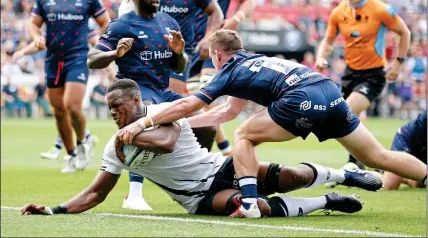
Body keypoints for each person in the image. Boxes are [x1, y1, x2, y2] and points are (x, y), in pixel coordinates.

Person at [118, 29, 427, 218]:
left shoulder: (228, 70)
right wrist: (186, 124)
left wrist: (147, 120)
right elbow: (223, 113)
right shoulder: (255, 61)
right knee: (378, 158)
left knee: (243, 135)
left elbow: (191, 103)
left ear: (216, 54)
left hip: (301, 97)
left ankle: (250, 202)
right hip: (328, 90)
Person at [21, 79, 377, 218]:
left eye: (120, 107)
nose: (115, 114)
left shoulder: (162, 114)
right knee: (252, 209)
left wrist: (132, 133)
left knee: (292, 175)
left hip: (220, 167)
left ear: (136, 100)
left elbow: (167, 142)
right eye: (111, 110)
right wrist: (53, 211)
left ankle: (345, 174)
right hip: (196, 198)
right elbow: (96, 193)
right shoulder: (117, 147)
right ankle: (327, 202)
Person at [88, 0, 216, 211]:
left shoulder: (168, 22)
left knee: (207, 125)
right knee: (147, 121)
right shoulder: (120, 26)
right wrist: (115, 53)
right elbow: (92, 59)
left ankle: (198, 178)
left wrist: (179, 52)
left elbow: (179, 66)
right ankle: (134, 194)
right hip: (134, 93)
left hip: (162, 89)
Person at [12, 0, 111, 172]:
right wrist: (36, 36)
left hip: (77, 57)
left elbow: (105, 23)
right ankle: (71, 154)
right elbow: (34, 24)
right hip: (53, 59)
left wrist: (103, 48)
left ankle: (84, 143)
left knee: (72, 105)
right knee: (58, 111)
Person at [315, 0, 411, 169]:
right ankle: (361, 164)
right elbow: (329, 40)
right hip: (350, 74)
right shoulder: (338, 12)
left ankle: (364, 161)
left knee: (345, 112)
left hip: (374, 75)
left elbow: (405, 32)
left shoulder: (380, 9)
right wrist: (321, 57)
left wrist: (398, 62)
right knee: (351, 118)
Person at [118, 0, 224, 96]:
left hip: (179, 53)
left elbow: (216, 12)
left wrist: (208, 38)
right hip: (147, 52)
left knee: (170, 104)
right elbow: (125, 13)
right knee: (145, 104)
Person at [184, 0, 256, 157]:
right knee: (195, 101)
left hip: (214, 48)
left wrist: (234, 19)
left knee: (205, 95)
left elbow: (248, 1)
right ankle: (225, 150)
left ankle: (224, 151)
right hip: (188, 48)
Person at [382, 110, 427, 190]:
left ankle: (405, 176)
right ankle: (372, 173)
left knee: (419, 183)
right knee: (388, 186)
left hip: (424, 146)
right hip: (409, 140)